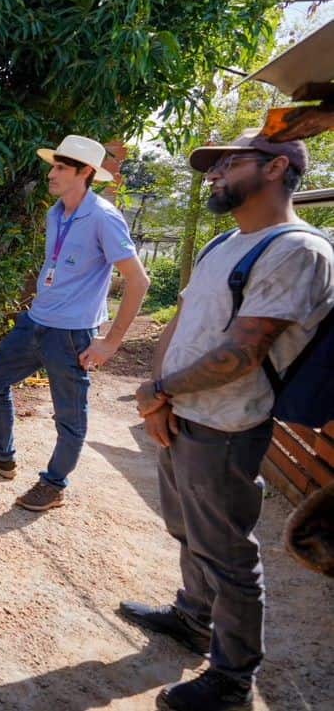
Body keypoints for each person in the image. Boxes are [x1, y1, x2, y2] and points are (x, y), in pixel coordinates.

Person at [119, 132, 333, 711]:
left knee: (229, 555)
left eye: (228, 163)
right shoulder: (225, 242)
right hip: (180, 413)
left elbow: (242, 352)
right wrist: (157, 399)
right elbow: (182, 324)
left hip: (226, 427)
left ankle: (233, 679)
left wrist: (159, 389)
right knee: (188, 530)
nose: (213, 174)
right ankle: (192, 616)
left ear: (277, 168)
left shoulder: (297, 251)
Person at [0, 134, 149, 512]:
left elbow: (138, 281)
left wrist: (109, 342)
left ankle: (54, 484)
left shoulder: (103, 217)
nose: (52, 173)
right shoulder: (55, 213)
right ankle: (1, 456)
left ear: (85, 173)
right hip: (36, 324)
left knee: (69, 415)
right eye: (54, 165)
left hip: (72, 334)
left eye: (61, 167)